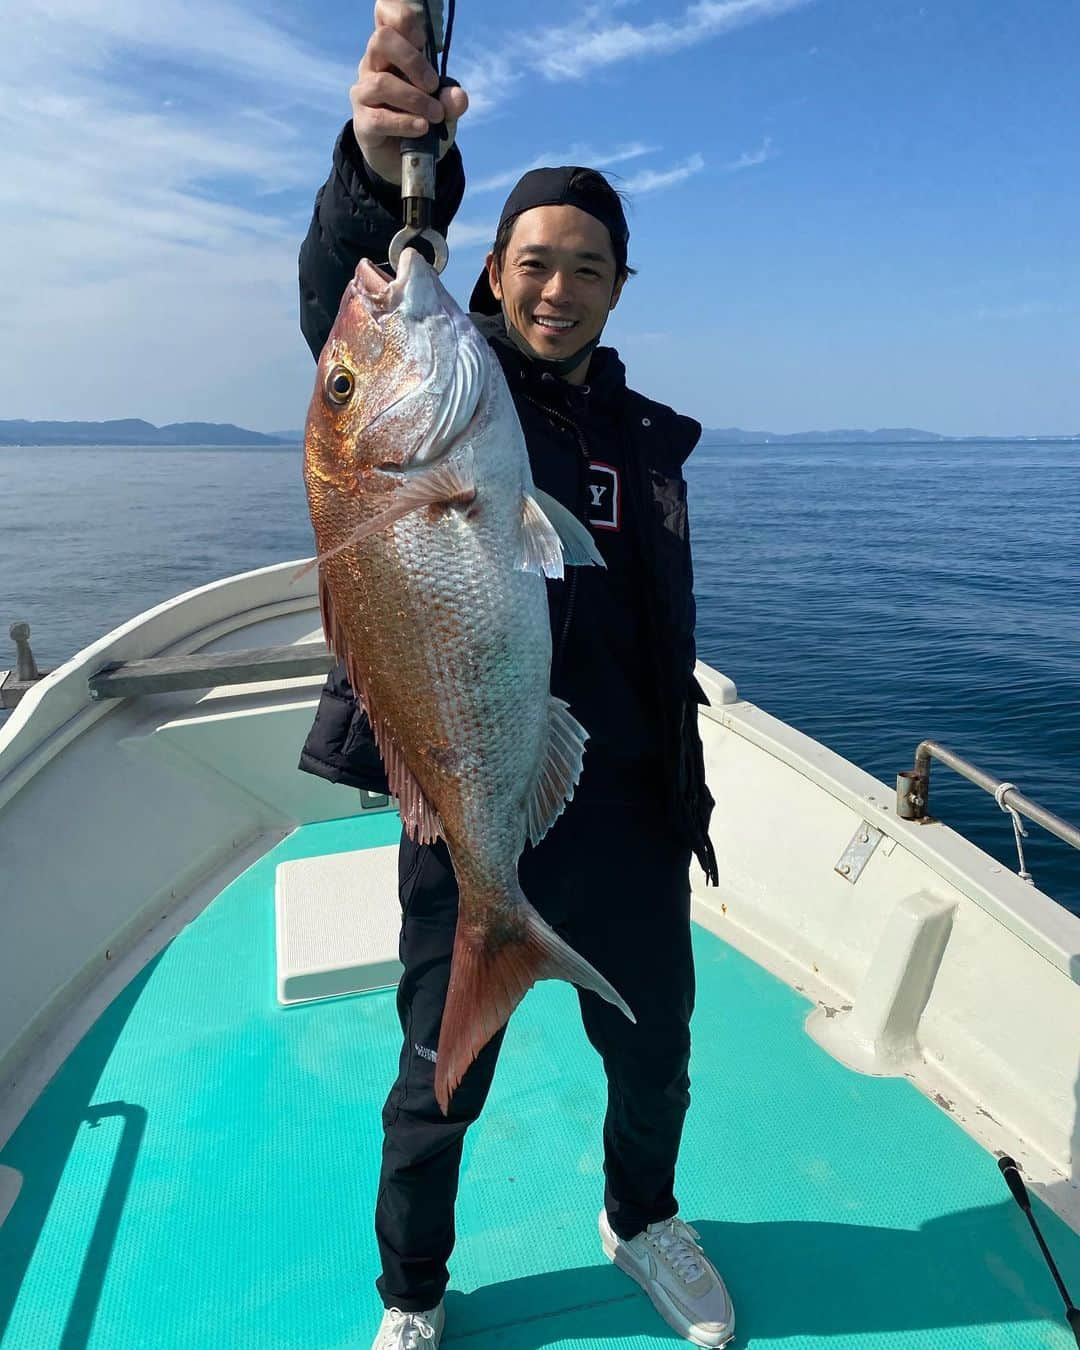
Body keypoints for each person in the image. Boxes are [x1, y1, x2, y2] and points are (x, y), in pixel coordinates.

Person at [296, 4, 733, 1347]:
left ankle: (642, 1213)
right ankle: (414, 1295)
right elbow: (349, 301)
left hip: (634, 810)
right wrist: (378, 169)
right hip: (468, 794)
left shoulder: (644, 437)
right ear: (484, 271)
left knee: (653, 1053)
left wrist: (688, 797)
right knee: (441, 1082)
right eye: (534, 262)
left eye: (588, 267)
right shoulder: (459, 386)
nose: (557, 287)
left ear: (617, 287)